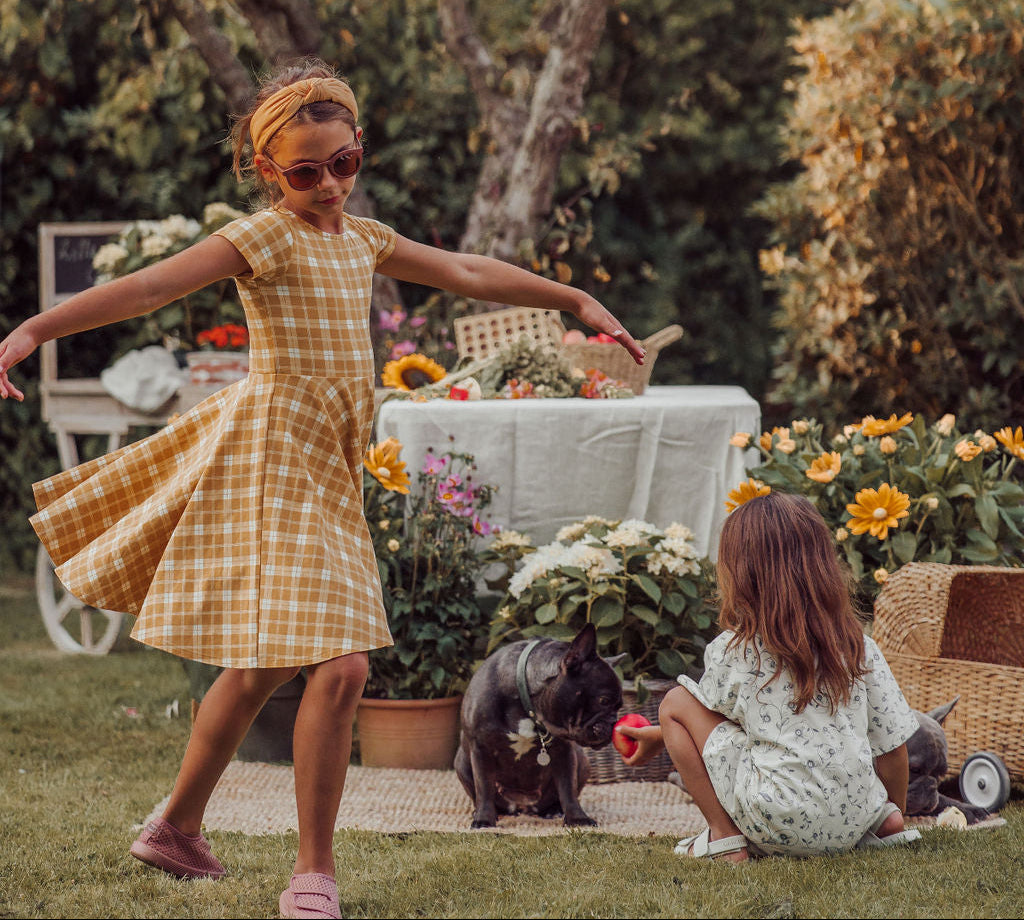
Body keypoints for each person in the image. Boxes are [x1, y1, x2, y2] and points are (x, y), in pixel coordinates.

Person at [0, 58, 645, 919]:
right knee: (342, 665)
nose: (330, 184)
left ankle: (176, 827)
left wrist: (574, 298)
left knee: (263, 667)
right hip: (276, 462)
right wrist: (36, 328)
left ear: (358, 148)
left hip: (330, 470)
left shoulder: (365, 239)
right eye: (306, 172)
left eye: (344, 162)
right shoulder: (264, 237)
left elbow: (466, 271)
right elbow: (150, 285)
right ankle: (314, 872)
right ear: (268, 170)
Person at [619, 490, 922, 862]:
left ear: (741, 575)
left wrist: (662, 730)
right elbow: (892, 748)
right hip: (854, 819)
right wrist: (894, 808)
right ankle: (885, 822)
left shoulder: (734, 652)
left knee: (675, 702)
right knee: (852, 768)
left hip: (776, 818)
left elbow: (707, 723)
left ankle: (724, 837)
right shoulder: (858, 647)